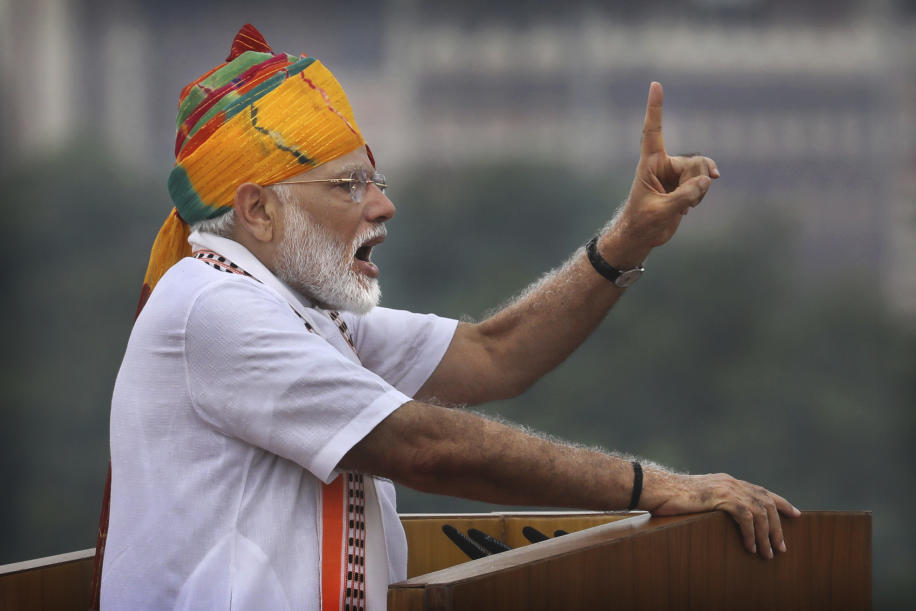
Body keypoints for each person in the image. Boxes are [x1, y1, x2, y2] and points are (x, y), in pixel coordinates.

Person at [97, 24, 800, 611]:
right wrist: (661, 487)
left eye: (374, 180)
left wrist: (629, 240)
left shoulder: (303, 311)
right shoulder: (213, 306)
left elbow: (497, 353)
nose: (382, 205)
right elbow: (427, 446)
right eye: (350, 184)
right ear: (256, 210)